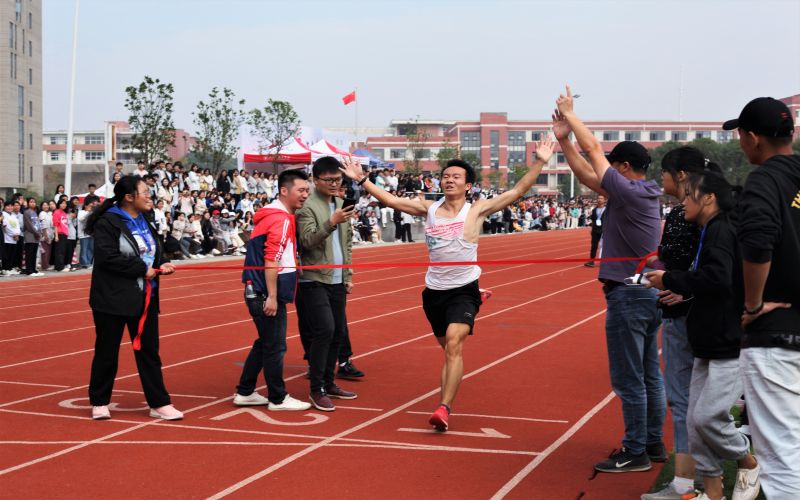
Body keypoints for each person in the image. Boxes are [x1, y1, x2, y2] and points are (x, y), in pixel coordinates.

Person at [339, 138, 553, 431]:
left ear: (468, 185)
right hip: (434, 292)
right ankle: (449, 387)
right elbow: (389, 200)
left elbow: (518, 190)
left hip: (463, 288)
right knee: (447, 347)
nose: (449, 180)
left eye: (456, 177)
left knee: (454, 344)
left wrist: (540, 161)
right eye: (446, 176)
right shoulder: (428, 208)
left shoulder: (476, 210)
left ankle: (444, 407)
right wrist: (362, 179)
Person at [553, 86, 666, 473]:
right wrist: (563, 141)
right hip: (645, 295)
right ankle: (652, 443)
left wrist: (570, 116)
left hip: (628, 296)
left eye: (612, 167)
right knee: (649, 373)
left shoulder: (630, 193)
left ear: (622, 169)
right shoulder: (639, 192)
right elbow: (587, 173)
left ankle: (635, 449)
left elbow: (594, 155)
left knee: (629, 378)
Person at [645, 169, 760, 500]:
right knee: (695, 424)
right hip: (707, 338)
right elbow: (709, 278)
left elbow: (717, 279)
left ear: (708, 198)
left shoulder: (722, 231)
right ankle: (713, 494)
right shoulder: (709, 230)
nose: (683, 202)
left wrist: (671, 280)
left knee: (708, 418)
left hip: (728, 341)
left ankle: (748, 461)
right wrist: (678, 281)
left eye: (688, 195)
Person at [730, 97, 800, 499]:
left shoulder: (765, 181)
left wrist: (753, 305)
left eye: (740, 135)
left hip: (777, 338)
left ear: (753, 138)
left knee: (782, 460)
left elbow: (757, 243)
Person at [85, 175, 181, 421]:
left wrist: (163, 263)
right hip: (112, 299)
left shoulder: (144, 220)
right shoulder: (109, 222)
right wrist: (141, 269)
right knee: (107, 351)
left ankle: (159, 403)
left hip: (145, 298)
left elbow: (152, 251)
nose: (150, 196)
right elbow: (107, 258)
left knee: (149, 351)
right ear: (129, 197)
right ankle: (99, 400)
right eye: (145, 192)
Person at [641, 147, 704, 500]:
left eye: (664, 173)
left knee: (689, 403)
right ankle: (690, 483)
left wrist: (684, 291)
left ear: (680, 175)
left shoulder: (696, 213)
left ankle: (689, 485)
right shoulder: (686, 212)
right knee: (694, 404)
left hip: (691, 316)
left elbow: (713, 262)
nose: (660, 180)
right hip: (687, 314)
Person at [233, 169, 312, 412]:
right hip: (264, 292)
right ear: (284, 191)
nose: (305, 195)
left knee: (265, 342)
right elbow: (271, 259)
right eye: (301, 190)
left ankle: (245, 391)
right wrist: (273, 296)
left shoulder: (274, 216)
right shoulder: (281, 219)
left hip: (258, 289)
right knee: (276, 346)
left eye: (307, 191)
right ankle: (278, 398)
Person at [295, 156, 359, 411]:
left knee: (338, 333)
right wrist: (331, 222)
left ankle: (329, 382)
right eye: (329, 180)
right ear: (315, 179)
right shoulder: (307, 207)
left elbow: (348, 243)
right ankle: (316, 388)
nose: (335, 184)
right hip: (314, 279)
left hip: (337, 278)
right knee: (325, 330)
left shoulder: (343, 204)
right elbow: (307, 242)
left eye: (338, 179)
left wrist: (349, 275)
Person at [22, 197, 43, 276]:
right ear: (27, 203)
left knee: (34, 253)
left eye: (34, 202)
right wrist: (36, 233)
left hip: (36, 236)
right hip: (30, 235)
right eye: (31, 202)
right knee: (29, 254)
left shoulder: (35, 212)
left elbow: (37, 224)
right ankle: (29, 270)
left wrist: (39, 232)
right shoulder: (26, 212)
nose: (33, 203)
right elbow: (29, 225)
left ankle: (34, 269)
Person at [584, 195, 605, 267]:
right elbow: (593, 220)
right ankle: (591, 261)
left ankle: (603, 261)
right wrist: (591, 229)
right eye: (598, 198)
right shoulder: (594, 210)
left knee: (603, 246)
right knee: (594, 246)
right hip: (595, 230)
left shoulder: (607, 210)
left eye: (601, 198)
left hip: (604, 230)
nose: (599, 200)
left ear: (604, 200)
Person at [52, 198, 70, 272]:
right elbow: (55, 225)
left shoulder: (64, 213)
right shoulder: (56, 212)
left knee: (62, 251)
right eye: (62, 203)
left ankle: (58, 266)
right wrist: (56, 236)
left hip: (64, 234)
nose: (64, 205)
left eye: (65, 203)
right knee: (60, 251)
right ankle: (60, 267)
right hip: (59, 233)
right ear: (59, 204)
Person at [78, 199, 96, 269]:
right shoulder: (81, 212)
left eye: (92, 206)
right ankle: (84, 263)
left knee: (91, 249)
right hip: (83, 234)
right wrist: (89, 213)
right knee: (84, 249)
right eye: (89, 205)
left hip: (90, 233)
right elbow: (82, 219)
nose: (90, 207)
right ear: (85, 206)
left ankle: (89, 262)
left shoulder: (92, 213)